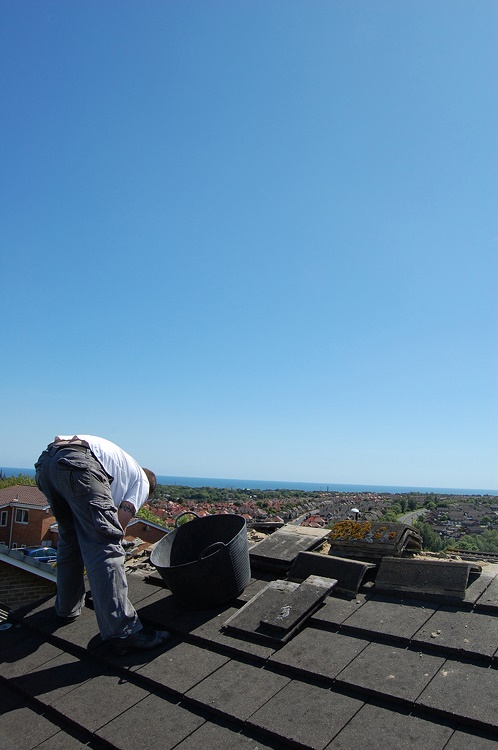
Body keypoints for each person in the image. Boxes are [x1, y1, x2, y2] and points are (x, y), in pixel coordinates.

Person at [35, 435, 170, 655]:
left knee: (70, 540)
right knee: (105, 545)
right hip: (77, 464)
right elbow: (117, 528)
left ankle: (67, 608)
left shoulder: (123, 469)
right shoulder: (143, 482)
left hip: (48, 463)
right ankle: (123, 632)